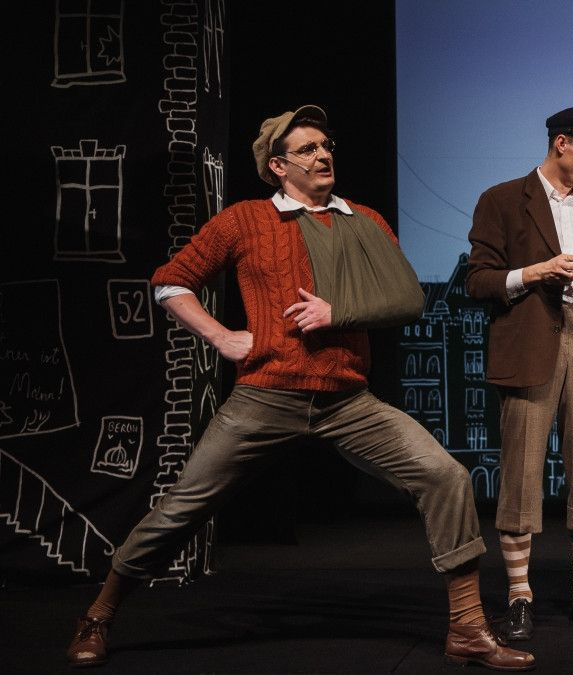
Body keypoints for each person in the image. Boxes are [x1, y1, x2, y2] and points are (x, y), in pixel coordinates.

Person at [65, 105, 533, 671]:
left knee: (445, 475)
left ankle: (468, 628)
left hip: (347, 400)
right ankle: (98, 614)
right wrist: (222, 337)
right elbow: (171, 282)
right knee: (181, 510)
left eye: (325, 144)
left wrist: (339, 312)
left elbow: (408, 300)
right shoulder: (246, 220)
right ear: (277, 165)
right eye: (307, 148)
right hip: (266, 395)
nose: (323, 154)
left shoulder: (364, 221)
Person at [466, 107, 573, 640]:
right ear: (561, 143)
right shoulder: (502, 200)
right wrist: (534, 272)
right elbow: (477, 281)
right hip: (530, 346)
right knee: (521, 473)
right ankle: (519, 596)